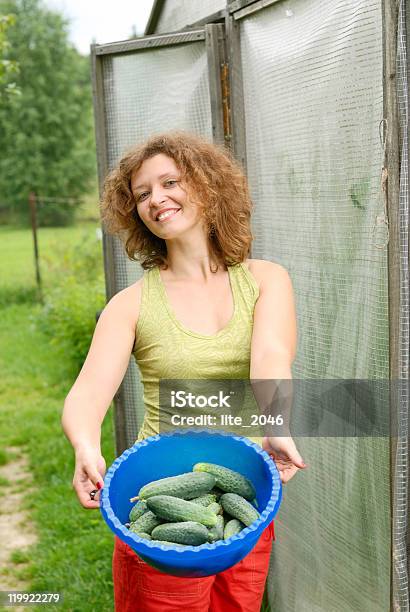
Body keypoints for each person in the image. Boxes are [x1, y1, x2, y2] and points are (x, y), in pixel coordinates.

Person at [61, 130, 307, 611]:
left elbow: (271, 359)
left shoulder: (265, 280)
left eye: (170, 182)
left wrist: (276, 425)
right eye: (142, 194)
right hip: (160, 506)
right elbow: (87, 395)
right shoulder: (129, 305)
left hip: (243, 501)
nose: (156, 199)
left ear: (208, 186)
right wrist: (85, 447)